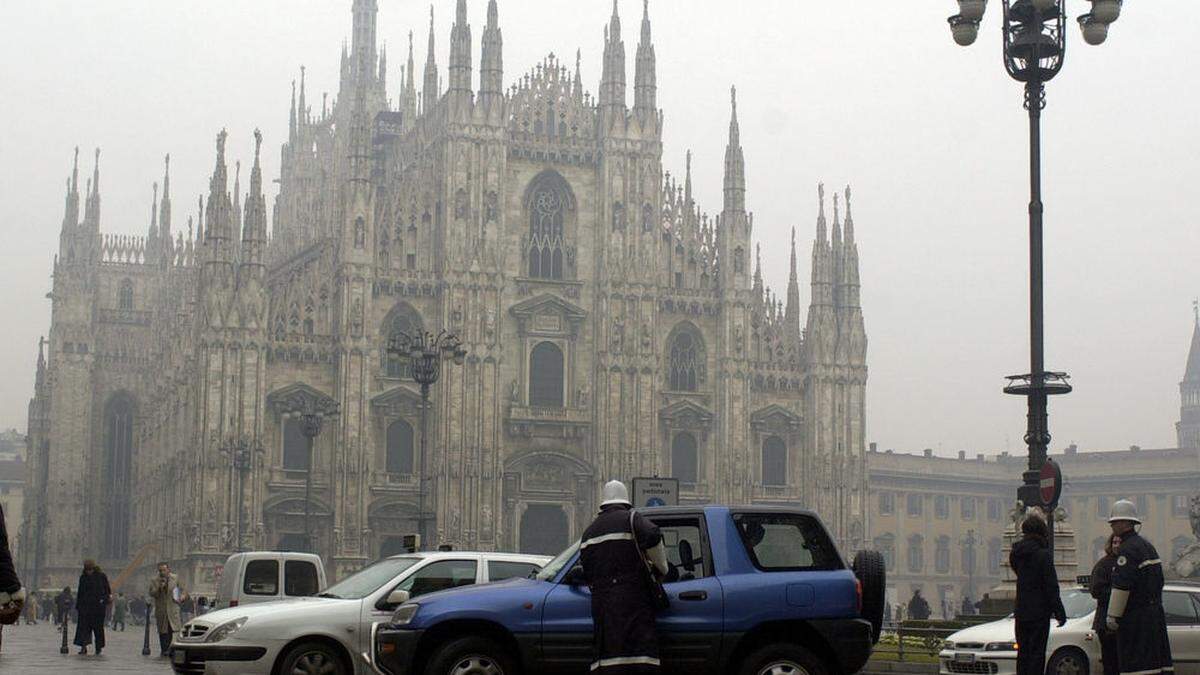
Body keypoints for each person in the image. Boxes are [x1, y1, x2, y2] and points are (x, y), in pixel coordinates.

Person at [579, 480, 668, 674]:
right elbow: (654, 538)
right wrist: (661, 569)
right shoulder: (632, 519)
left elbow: (586, 573)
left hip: (603, 607)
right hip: (634, 602)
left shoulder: (589, 532)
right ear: (626, 501)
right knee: (639, 655)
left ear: (603, 503)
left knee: (609, 657)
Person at [1105, 500, 1174, 675]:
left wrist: (1113, 616)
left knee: (1136, 666)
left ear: (1124, 523)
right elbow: (1159, 581)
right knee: (1156, 666)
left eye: (1114, 522)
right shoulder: (1147, 546)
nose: (1112, 526)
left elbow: (1122, 584)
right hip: (1154, 615)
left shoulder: (1127, 550)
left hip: (1134, 618)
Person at [1010, 513, 1066, 675]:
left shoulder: (1016, 553)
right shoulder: (1043, 555)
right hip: (1039, 612)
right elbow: (1051, 586)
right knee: (1036, 654)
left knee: (1023, 653)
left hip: (1021, 610)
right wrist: (1059, 612)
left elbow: (1019, 573)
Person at [1091, 533, 1123, 675]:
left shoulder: (1128, 562)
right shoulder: (1103, 565)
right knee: (1110, 661)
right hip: (1106, 620)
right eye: (1114, 542)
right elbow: (1096, 590)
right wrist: (1118, 594)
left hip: (1124, 621)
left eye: (1119, 542)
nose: (1116, 545)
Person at [148, 561, 186, 657]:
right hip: (161, 609)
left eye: (164, 570)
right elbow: (152, 593)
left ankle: (168, 649)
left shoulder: (175, 578)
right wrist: (160, 588)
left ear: (168, 570)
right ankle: (164, 649)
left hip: (173, 608)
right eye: (160, 570)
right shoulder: (154, 580)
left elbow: (183, 589)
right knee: (162, 631)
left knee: (170, 629)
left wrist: (182, 597)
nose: (162, 572)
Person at [74, 559, 111, 655]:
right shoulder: (83, 577)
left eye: (90, 569)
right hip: (85, 608)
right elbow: (80, 593)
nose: (88, 571)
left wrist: (103, 601)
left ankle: (98, 648)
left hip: (98, 608)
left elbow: (107, 591)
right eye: (87, 569)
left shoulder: (101, 576)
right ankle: (83, 647)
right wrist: (78, 606)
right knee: (83, 629)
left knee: (98, 629)